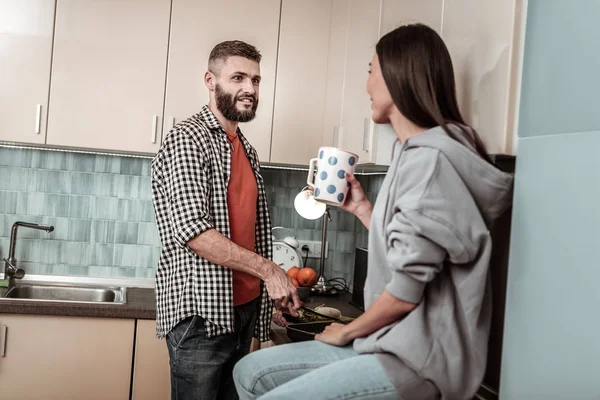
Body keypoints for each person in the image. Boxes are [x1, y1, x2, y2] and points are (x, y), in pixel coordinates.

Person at [232, 24, 514, 400]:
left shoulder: (433, 161)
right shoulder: (410, 153)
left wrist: (348, 330)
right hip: (389, 342)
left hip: (420, 360)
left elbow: (406, 291)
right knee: (250, 372)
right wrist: (364, 209)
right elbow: (411, 245)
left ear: (398, 78)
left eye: (370, 72)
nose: (366, 86)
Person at [151, 40, 300, 400]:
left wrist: (271, 297)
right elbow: (194, 231)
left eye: (256, 80)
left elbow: (253, 237)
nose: (250, 89)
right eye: (238, 77)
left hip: (243, 313)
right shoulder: (188, 139)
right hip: (203, 316)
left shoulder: (246, 149)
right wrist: (271, 272)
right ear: (210, 80)